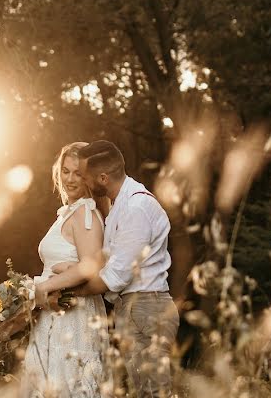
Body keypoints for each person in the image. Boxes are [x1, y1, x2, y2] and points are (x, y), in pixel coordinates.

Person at [54, 140, 179, 398]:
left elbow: (114, 278)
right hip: (136, 308)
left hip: (146, 309)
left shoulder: (135, 208)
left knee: (153, 393)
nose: (84, 183)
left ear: (103, 177)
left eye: (86, 177)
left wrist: (68, 293)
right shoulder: (119, 205)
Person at [0, 142, 108, 397]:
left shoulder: (86, 214)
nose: (70, 179)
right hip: (54, 314)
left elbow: (89, 265)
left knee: (67, 383)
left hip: (72, 318)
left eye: (78, 173)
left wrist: (42, 287)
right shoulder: (68, 213)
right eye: (65, 171)